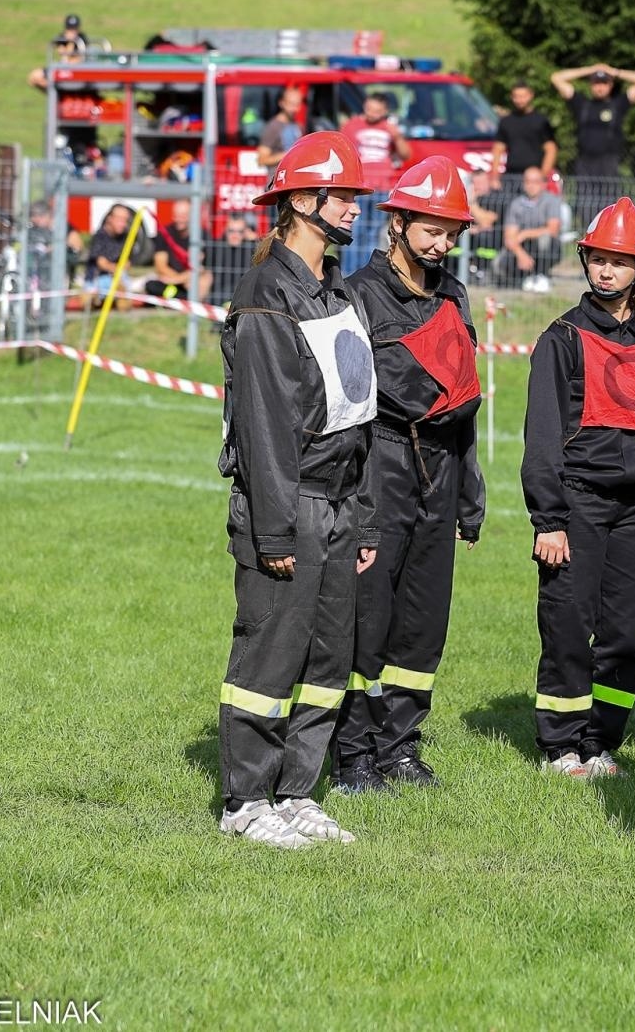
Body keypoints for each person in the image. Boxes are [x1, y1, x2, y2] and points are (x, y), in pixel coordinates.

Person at [216, 131, 379, 848]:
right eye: (342, 196)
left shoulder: (335, 286)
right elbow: (263, 427)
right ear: (302, 202)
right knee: (269, 655)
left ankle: (295, 792)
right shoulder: (266, 296)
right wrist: (275, 530)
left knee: (324, 660)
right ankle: (245, 804)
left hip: (340, 504)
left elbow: (359, 408)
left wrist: (363, 515)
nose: (352, 207)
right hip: (291, 505)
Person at [522, 197, 635, 780]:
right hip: (577, 503)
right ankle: (562, 746)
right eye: (598, 258)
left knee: (625, 635)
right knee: (569, 624)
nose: (606, 271)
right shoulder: (562, 337)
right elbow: (542, 432)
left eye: (620, 262)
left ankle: (601, 745)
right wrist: (548, 519)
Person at [334, 156, 486, 791]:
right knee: (368, 617)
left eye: (452, 232)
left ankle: (401, 746)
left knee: (423, 622)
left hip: (443, 469)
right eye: (431, 228)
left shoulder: (453, 293)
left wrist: (469, 495)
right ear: (395, 221)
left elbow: (465, 395)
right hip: (382, 462)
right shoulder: (357, 296)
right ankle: (354, 754)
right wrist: (358, 504)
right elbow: (348, 406)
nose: (443, 243)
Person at [551, 63, 635, 221]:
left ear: (610, 85)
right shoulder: (582, 104)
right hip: (585, 162)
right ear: (591, 85)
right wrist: (589, 70)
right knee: (586, 206)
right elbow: (557, 78)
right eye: (596, 83)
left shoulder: (618, 105)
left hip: (608, 162)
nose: (600, 88)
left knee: (608, 206)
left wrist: (614, 71)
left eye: (604, 83)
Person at [340, 92, 412, 275]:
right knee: (355, 231)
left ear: (385, 111)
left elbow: (406, 154)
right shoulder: (352, 125)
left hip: (381, 188)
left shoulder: (389, 128)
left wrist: (396, 136)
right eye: (369, 109)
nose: (372, 114)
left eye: (377, 111)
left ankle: (364, 274)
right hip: (360, 188)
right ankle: (348, 274)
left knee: (373, 234)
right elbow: (341, 150)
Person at [496, 167, 564, 292]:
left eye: (536, 181)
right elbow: (509, 237)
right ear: (523, 184)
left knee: (545, 239)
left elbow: (552, 230)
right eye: (528, 181)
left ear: (543, 184)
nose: (531, 185)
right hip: (523, 248)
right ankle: (523, 277)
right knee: (499, 263)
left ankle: (541, 274)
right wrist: (520, 254)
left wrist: (525, 234)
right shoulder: (516, 204)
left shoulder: (552, 201)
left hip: (545, 247)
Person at [490, 81, 558, 190]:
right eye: (516, 96)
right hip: (511, 176)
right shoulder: (506, 121)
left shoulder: (541, 121)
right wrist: (494, 177)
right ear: (512, 97)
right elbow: (498, 149)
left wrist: (542, 176)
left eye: (523, 96)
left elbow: (551, 149)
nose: (520, 100)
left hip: (533, 178)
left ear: (531, 96)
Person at [146, 199, 213, 301]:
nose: (179, 219)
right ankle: (185, 299)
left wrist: (179, 279)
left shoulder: (203, 236)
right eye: (176, 215)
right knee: (151, 285)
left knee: (205, 280)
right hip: (171, 279)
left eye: (184, 215)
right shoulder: (164, 234)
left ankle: (177, 299)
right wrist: (177, 279)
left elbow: (201, 269)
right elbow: (160, 266)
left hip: (192, 280)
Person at [86, 204, 137, 308]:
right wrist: (116, 269)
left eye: (125, 220)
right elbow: (101, 263)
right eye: (119, 219)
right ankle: (97, 300)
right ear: (110, 218)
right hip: (98, 277)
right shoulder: (100, 236)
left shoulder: (126, 237)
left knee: (124, 289)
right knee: (88, 297)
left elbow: (127, 263)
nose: (123, 224)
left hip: (118, 277)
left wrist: (118, 270)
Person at [28, 14, 91, 91]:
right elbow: (62, 53)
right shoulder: (62, 38)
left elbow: (78, 60)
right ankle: (55, 94)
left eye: (74, 29)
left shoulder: (82, 39)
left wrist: (72, 41)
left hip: (73, 71)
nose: (72, 31)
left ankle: (58, 93)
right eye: (69, 29)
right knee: (33, 77)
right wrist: (69, 42)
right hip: (61, 67)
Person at [207, 216, 258, 308]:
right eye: (231, 231)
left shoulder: (252, 248)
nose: (235, 235)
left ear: (246, 232)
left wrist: (255, 238)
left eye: (240, 231)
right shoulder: (215, 247)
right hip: (219, 297)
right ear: (225, 231)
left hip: (244, 297)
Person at [257, 88, 305, 179]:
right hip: (276, 181)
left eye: (297, 105)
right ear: (281, 103)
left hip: (293, 180)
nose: (294, 109)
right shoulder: (273, 127)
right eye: (291, 104)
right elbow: (261, 160)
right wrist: (290, 153)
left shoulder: (298, 126)